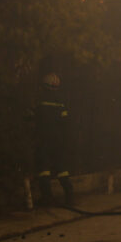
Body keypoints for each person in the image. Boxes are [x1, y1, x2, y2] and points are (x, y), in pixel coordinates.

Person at [34, 72, 74, 207]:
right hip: (58, 140)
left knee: (44, 169)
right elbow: (66, 122)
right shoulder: (60, 101)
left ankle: (47, 199)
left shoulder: (39, 99)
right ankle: (70, 197)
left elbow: (32, 117)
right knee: (62, 168)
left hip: (43, 138)